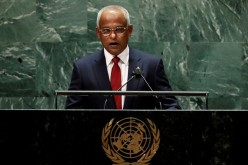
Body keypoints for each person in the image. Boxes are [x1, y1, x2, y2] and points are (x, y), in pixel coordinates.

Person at [65, 5, 181, 110]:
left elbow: (171, 106)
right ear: (98, 33)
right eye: (106, 31)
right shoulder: (83, 68)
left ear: (129, 30)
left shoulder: (151, 65)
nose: (113, 36)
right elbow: (72, 113)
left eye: (119, 29)